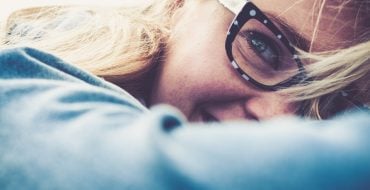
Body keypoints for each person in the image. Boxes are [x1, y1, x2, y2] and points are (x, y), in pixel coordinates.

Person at [0, 0, 369, 189]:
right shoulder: (35, 82)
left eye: (337, 104)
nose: (278, 119)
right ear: (181, 3)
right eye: (263, 47)